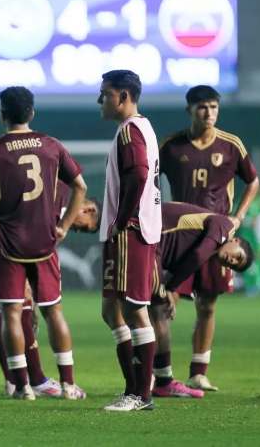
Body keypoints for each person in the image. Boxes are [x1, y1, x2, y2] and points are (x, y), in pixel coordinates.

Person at [0, 86, 88, 401]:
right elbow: (80, 186)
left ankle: (22, 386)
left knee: (11, 314)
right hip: (44, 241)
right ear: (32, 112)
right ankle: (69, 384)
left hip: (9, 242)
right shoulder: (51, 146)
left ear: (2, 114)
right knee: (53, 312)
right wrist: (62, 225)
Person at [159, 85, 260, 391]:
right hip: (180, 236)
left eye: (214, 107)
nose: (209, 113)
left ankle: (198, 371)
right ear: (189, 109)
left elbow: (253, 182)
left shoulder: (231, 145)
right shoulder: (172, 147)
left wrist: (238, 218)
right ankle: (160, 372)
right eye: (203, 107)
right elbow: (148, 180)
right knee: (164, 302)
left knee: (208, 305)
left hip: (216, 238)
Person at [97, 69, 162, 411]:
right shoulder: (142, 128)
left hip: (131, 231)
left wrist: (123, 219)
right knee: (111, 311)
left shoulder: (130, 131)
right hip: (132, 229)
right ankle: (134, 389)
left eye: (105, 93)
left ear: (123, 96)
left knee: (135, 310)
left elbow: (138, 174)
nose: (100, 100)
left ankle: (140, 395)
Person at [149, 201, 254, 398]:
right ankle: (157, 381)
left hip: (144, 235)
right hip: (145, 237)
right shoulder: (225, 225)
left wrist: (169, 284)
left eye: (235, 266)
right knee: (152, 315)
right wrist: (170, 286)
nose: (231, 262)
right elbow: (197, 256)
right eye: (237, 258)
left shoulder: (201, 237)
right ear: (236, 241)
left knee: (132, 313)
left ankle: (150, 379)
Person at [237, 193, 260, 296]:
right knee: (246, 261)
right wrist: (248, 221)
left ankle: (258, 285)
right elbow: (237, 217)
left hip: (259, 239)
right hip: (246, 238)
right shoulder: (243, 200)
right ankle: (250, 287)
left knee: (259, 261)